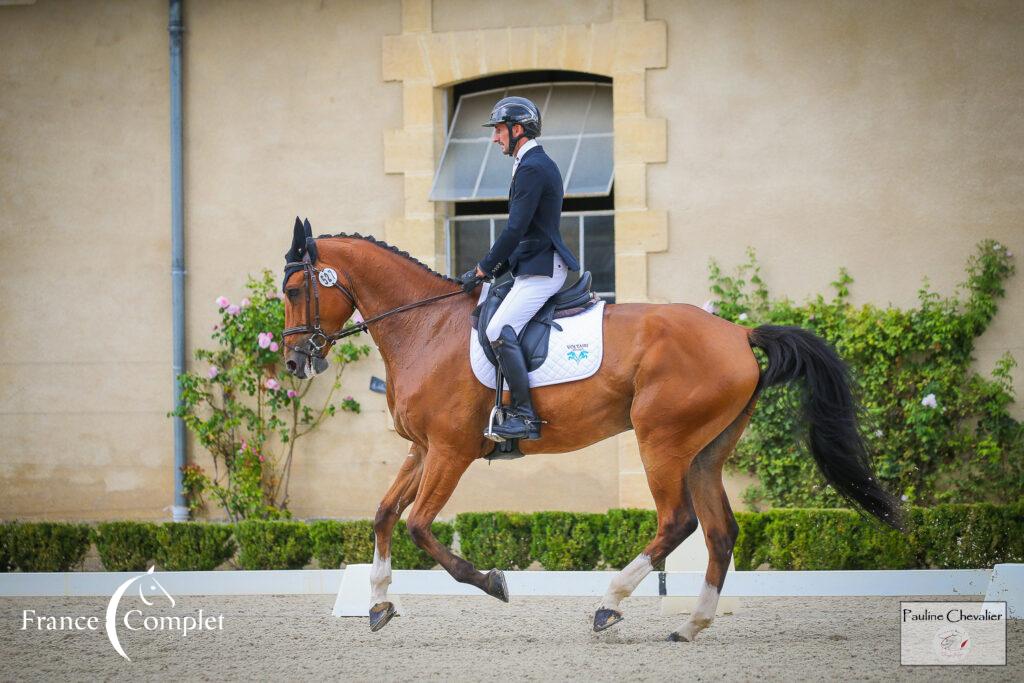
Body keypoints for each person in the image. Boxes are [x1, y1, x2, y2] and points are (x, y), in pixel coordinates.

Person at [459, 96, 581, 441]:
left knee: (498, 329)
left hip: (542, 269)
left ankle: (525, 416)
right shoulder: (529, 164)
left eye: (498, 130)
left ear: (517, 130)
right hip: (530, 265)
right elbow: (527, 231)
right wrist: (495, 272)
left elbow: (516, 228)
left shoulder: (532, 167)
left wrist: (483, 268)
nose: (494, 138)